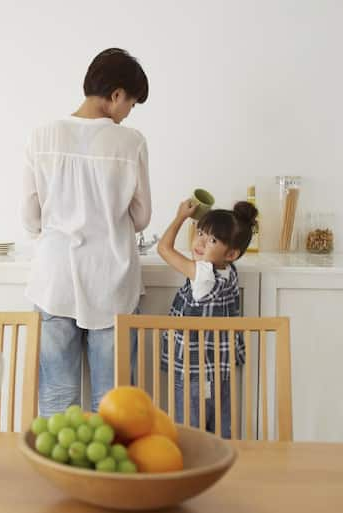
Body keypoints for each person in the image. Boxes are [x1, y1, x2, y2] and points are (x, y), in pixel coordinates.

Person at [21, 48, 151, 416]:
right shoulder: (131, 142)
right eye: (131, 102)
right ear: (116, 95)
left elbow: (30, 217)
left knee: (57, 400)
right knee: (113, 405)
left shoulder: (41, 136)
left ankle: (61, 474)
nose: (128, 113)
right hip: (112, 282)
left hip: (54, 280)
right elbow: (141, 218)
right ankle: (109, 476)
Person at [156, 198, 259, 438]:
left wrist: (181, 216)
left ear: (232, 253)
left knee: (189, 436)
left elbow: (163, 249)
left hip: (193, 372)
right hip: (219, 373)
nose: (200, 242)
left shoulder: (203, 275)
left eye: (212, 240)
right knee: (218, 434)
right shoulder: (228, 272)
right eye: (200, 232)